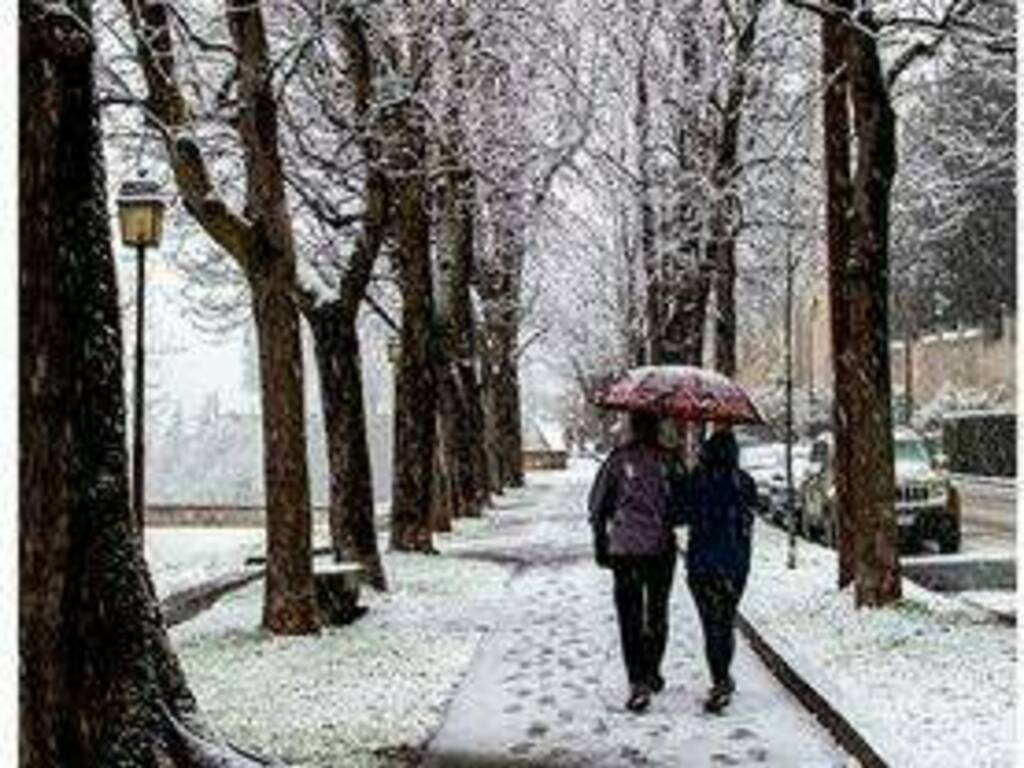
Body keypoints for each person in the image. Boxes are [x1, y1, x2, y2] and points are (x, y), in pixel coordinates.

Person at [588, 411, 677, 713]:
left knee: (630, 616)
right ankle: (652, 669)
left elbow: (597, 506)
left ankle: (637, 681)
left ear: (632, 428)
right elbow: (683, 505)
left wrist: (601, 544)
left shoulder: (616, 460)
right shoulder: (669, 459)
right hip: (661, 549)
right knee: (657, 612)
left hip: (624, 550)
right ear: (657, 427)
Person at [677, 428, 756, 714]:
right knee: (725, 621)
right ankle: (723, 677)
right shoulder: (745, 482)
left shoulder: (697, 481)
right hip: (735, 565)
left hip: (703, 565)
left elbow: (680, 514)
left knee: (711, 625)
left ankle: (720, 679)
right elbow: (749, 516)